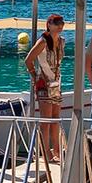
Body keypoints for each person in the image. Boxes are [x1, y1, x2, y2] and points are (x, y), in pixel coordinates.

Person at [24, 13, 66, 161]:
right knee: (46, 119)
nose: (60, 26)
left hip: (56, 81)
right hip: (44, 81)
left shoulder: (61, 41)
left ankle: (57, 151)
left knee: (55, 117)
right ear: (49, 24)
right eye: (56, 23)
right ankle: (45, 151)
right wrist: (35, 77)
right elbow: (29, 60)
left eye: (61, 23)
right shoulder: (43, 41)